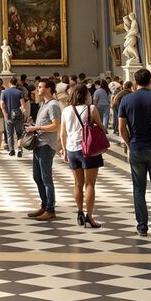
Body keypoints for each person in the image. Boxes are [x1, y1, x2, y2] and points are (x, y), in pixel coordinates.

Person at [118, 69, 151, 238]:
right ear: (150, 80)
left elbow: (121, 128)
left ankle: (142, 227)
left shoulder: (126, 100)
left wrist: (129, 143)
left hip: (136, 147)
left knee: (138, 189)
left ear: (135, 81)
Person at [61, 84, 104, 228]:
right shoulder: (91, 109)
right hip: (88, 150)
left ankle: (79, 212)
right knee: (90, 184)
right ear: (86, 95)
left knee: (77, 184)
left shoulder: (66, 110)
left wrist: (65, 151)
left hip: (72, 149)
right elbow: (101, 128)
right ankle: (89, 216)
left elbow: (63, 133)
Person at [26, 79, 62, 222]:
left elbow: (56, 126)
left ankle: (50, 209)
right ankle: (44, 204)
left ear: (48, 89)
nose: (38, 89)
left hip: (46, 145)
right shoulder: (44, 104)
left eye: (40, 87)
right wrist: (33, 125)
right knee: (37, 176)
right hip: (38, 144)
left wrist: (37, 128)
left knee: (46, 178)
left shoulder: (53, 105)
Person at [0, 77, 27, 158]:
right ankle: (19, 148)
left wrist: (5, 114)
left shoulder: (4, 92)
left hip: (8, 116)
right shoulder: (19, 92)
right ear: (16, 83)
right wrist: (22, 112)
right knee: (19, 133)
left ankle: (11, 149)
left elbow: (2, 104)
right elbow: (23, 105)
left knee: (9, 134)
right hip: (18, 116)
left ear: (9, 83)